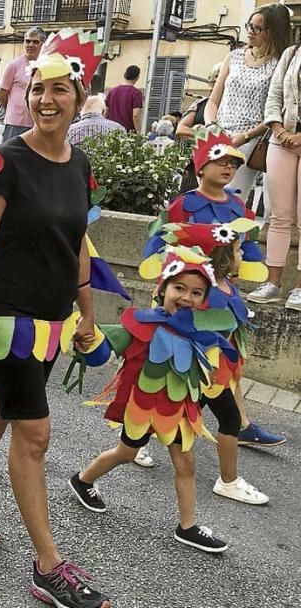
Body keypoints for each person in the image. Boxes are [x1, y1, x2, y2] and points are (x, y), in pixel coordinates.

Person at [0, 30, 111, 608]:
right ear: (25, 95)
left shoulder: (79, 163)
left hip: (53, 320)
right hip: (2, 317)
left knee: (0, 408)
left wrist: (88, 315)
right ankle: (48, 567)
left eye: (59, 89)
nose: (47, 99)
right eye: (38, 89)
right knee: (33, 433)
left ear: (79, 97)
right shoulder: (3, 162)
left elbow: (78, 243)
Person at [69, 246, 237, 554]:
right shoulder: (142, 323)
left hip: (179, 408)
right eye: (179, 288)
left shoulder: (199, 331)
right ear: (162, 288)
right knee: (126, 454)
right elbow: (107, 342)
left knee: (186, 463)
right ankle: (82, 480)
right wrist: (88, 339)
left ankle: (187, 527)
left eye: (197, 292)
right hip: (142, 407)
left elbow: (208, 363)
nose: (187, 297)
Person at [149, 125, 287, 449]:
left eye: (234, 163)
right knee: (176, 367)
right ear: (201, 166)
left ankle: (239, 423)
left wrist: (249, 270)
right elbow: (160, 243)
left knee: (228, 362)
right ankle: (143, 433)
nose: (228, 167)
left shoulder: (239, 207)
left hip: (225, 299)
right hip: (189, 299)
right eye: (221, 160)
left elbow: (250, 249)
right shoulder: (183, 204)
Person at [205, 4, 291, 202]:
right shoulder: (233, 57)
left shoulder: (279, 64)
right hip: (217, 134)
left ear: (272, 32)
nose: (250, 32)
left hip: (249, 140)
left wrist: (244, 137)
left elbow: (275, 111)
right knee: (206, 197)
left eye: (257, 28)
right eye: (249, 26)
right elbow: (213, 100)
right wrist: (212, 126)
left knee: (232, 198)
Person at [252, 25, 301, 309]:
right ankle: (272, 282)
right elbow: (274, 96)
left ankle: (298, 288)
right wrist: (279, 129)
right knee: (279, 216)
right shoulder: (291, 54)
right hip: (280, 141)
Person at [0, 26, 45, 141]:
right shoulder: (14, 65)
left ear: (42, 44)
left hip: (37, 122)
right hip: (15, 123)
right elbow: (2, 94)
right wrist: (13, 109)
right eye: (27, 41)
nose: (30, 45)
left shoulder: (46, 65)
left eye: (35, 42)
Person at [105, 65, 143, 132]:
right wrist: (139, 132)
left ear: (125, 75)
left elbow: (106, 112)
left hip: (111, 130)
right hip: (127, 132)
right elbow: (136, 115)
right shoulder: (136, 93)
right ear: (137, 77)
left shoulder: (112, 91)